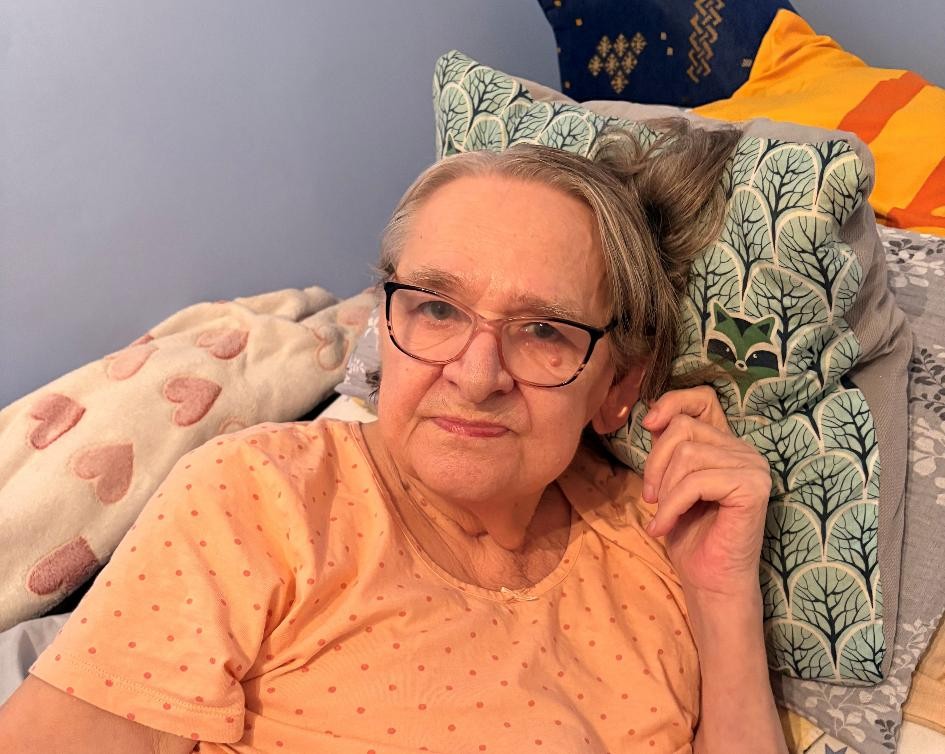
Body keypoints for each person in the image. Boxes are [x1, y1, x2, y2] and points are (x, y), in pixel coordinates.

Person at [0, 122, 787, 753]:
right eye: (436, 309)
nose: (475, 375)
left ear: (616, 387)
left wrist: (722, 599)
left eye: (543, 330)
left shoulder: (656, 551)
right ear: (385, 320)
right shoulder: (263, 497)